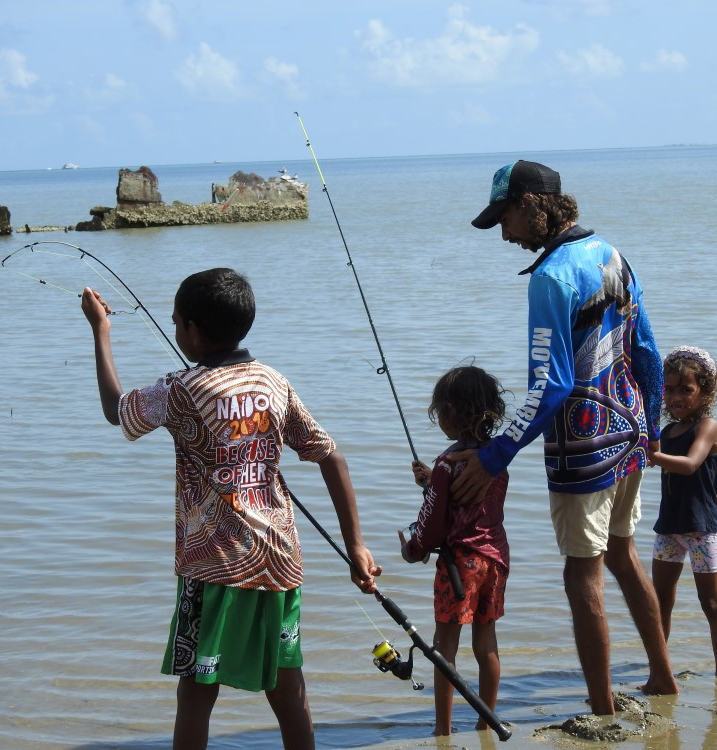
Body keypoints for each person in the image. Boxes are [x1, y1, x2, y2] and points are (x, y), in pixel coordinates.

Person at [80, 268, 381, 750]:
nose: (176, 331)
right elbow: (331, 456)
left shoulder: (181, 389)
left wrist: (101, 331)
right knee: (287, 686)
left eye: (177, 322)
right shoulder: (274, 383)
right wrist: (357, 545)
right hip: (278, 559)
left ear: (193, 332)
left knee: (196, 692)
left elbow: (117, 410)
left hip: (212, 564)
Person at [454, 160, 679, 716]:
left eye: (504, 217)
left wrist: (495, 452)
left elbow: (549, 384)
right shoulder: (610, 254)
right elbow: (648, 350)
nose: (504, 233)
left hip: (583, 447)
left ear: (532, 202)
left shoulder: (552, 276)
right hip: (628, 431)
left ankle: (602, 708)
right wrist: (648, 429)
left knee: (583, 573)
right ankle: (662, 676)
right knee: (625, 557)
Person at [399, 365, 510, 736]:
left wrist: (412, 550)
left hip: (459, 567)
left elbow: (431, 525)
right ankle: (485, 721)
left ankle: (442, 729)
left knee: (445, 647)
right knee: (486, 641)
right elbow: (469, 503)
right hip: (494, 560)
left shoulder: (448, 464)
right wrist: (433, 481)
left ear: (448, 412)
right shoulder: (496, 459)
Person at [648, 346, 717, 677]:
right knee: (660, 602)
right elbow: (706, 482)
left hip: (702, 531)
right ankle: (660, 670)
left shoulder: (708, 427)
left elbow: (691, 466)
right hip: (669, 527)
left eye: (687, 390)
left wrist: (649, 454)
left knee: (710, 603)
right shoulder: (668, 433)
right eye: (669, 390)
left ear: (705, 392)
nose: (676, 397)